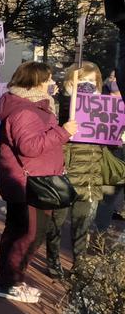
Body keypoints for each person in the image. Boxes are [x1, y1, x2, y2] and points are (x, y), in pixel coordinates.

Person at [0, 61, 76, 303]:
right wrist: (63, 132)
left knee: (19, 231)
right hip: (29, 183)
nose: (52, 83)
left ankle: (10, 279)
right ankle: (10, 282)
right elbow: (30, 147)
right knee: (28, 234)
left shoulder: (33, 107)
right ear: (36, 81)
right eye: (49, 79)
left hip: (31, 180)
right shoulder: (25, 110)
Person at [38, 62, 108, 277]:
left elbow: (109, 138)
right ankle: (53, 260)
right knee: (56, 221)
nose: (87, 86)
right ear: (70, 82)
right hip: (64, 171)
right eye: (82, 81)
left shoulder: (104, 107)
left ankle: (79, 263)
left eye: (92, 81)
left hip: (89, 173)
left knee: (82, 223)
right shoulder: (58, 104)